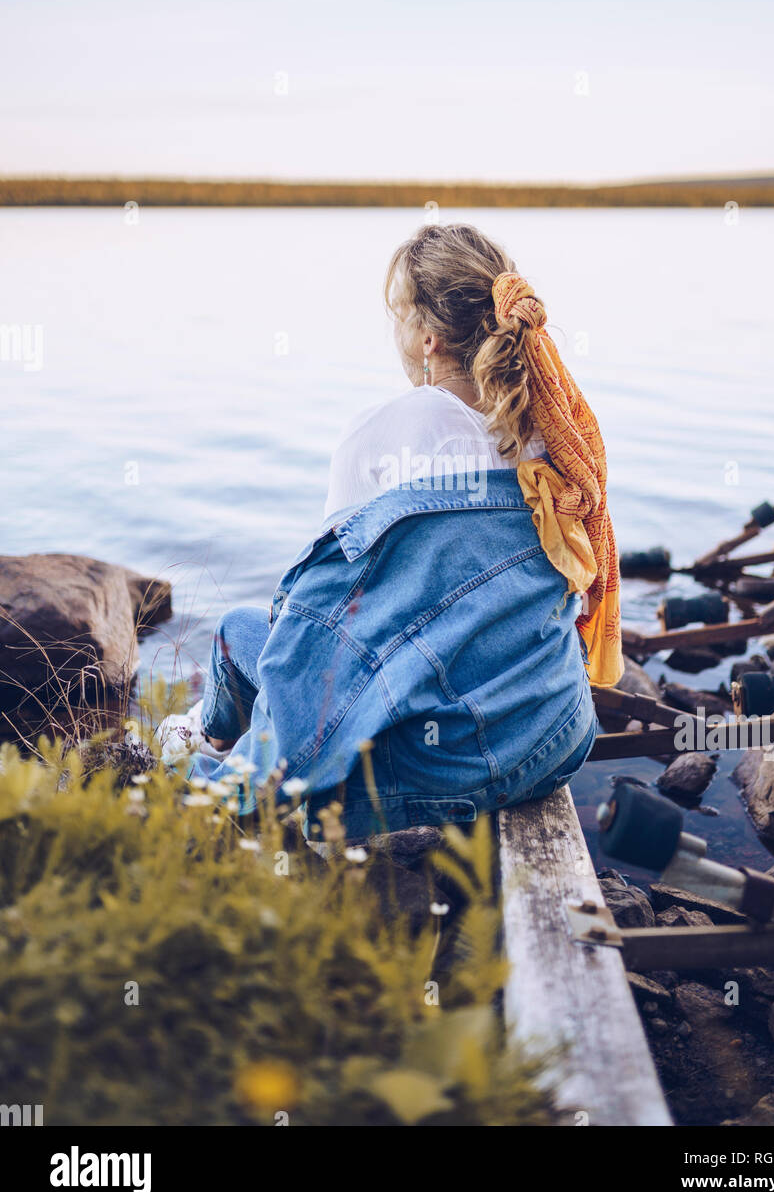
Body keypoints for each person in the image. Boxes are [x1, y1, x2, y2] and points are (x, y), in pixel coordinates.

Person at [161, 222, 622, 838]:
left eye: (396, 317)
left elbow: (317, 622)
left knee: (242, 631)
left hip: (433, 764)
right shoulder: (553, 435)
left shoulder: (379, 434)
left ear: (426, 337)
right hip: (552, 735)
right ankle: (209, 728)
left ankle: (205, 745)